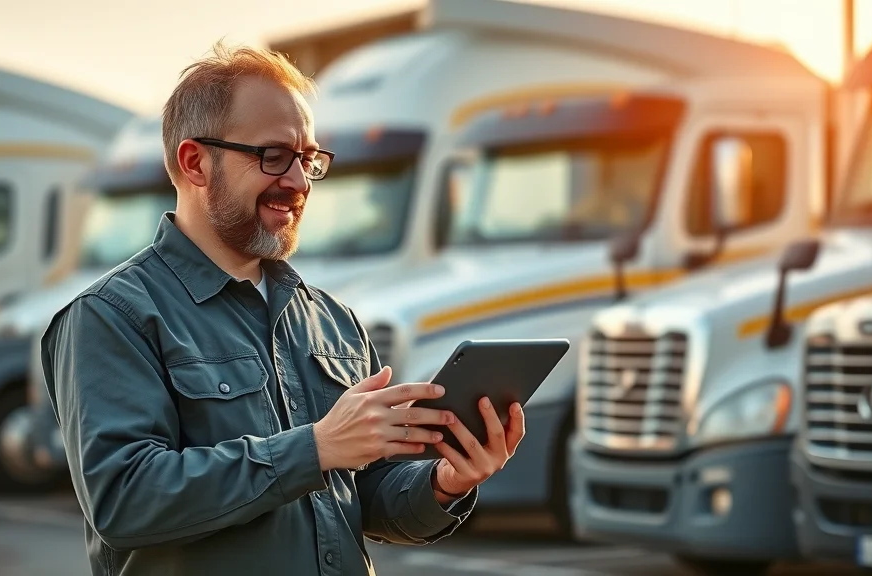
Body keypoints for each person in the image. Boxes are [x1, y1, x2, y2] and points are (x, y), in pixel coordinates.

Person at [40, 40, 525, 576]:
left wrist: (443, 483)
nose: (297, 182)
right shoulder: (112, 317)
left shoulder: (332, 321)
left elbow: (363, 498)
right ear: (195, 161)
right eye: (273, 156)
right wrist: (314, 448)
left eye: (309, 159)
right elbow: (125, 500)